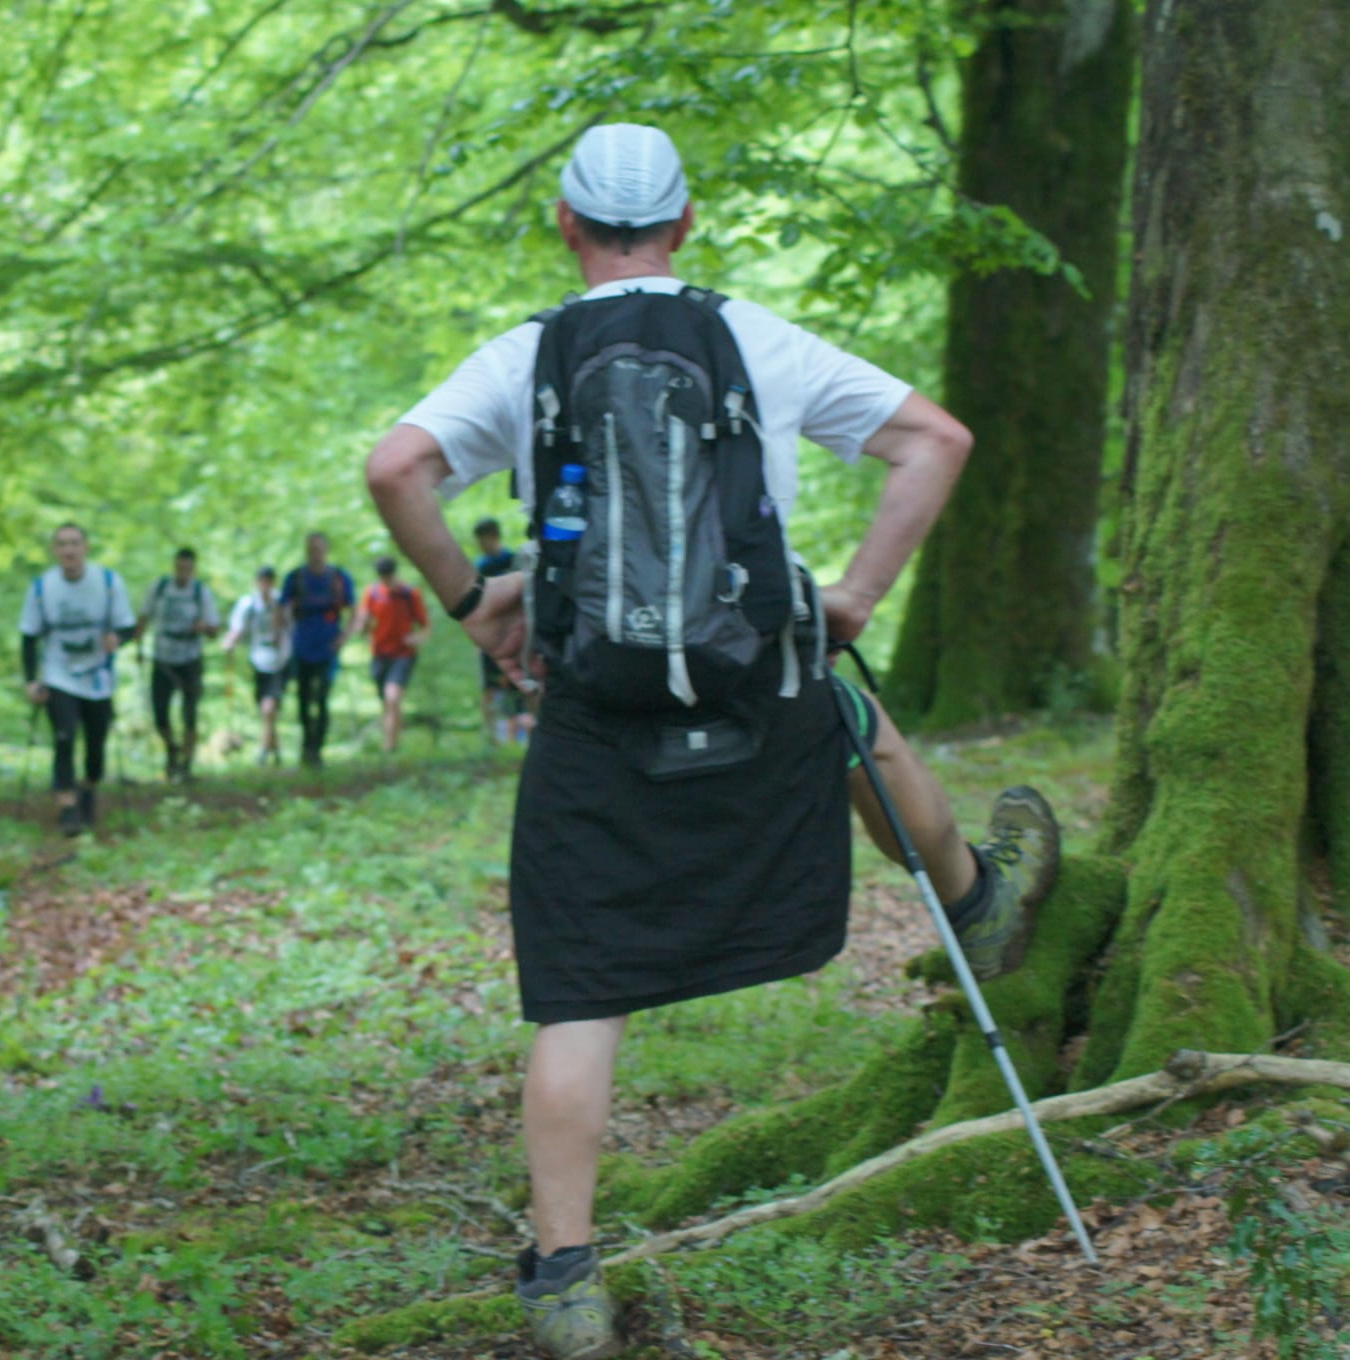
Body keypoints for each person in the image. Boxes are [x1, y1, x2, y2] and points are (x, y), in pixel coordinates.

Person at [365, 124, 1061, 1360]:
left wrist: (478, 609)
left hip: (597, 706)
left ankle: (567, 1279)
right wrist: (849, 594)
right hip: (763, 689)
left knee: (579, 987)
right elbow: (935, 441)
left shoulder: (525, 356)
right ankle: (976, 905)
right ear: (685, 225)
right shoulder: (754, 338)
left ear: (566, 226)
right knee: (838, 702)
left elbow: (396, 467)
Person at [19, 524, 138, 836]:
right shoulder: (42, 587)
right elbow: (29, 636)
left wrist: (117, 638)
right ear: (54, 550)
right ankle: (67, 806)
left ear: (86, 547)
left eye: (74, 543)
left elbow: (128, 626)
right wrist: (31, 680)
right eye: (62, 544)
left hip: (98, 676)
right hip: (58, 675)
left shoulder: (109, 582)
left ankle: (88, 790)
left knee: (96, 741)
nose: (68, 551)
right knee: (64, 736)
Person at [140, 547, 222, 781]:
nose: (183, 572)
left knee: (190, 714)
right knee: (160, 714)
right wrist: (137, 646)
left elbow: (214, 630)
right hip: (162, 657)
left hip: (190, 659)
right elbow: (143, 617)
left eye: (188, 568)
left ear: (193, 569)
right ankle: (171, 751)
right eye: (180, 566)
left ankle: (186, 764)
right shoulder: (159, 588)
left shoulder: (200, 593)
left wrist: (203, 627)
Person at [278, 533, 355, 769]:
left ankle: (317, 750)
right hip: (301, 646)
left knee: (321, 697)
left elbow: (354, 610)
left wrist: (344, 638)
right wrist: (285, 632)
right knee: (302, 698)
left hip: (328, 647)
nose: (316, 553)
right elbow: (282, 608)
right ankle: (306, 746)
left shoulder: (339, 578)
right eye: (312, 548)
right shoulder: (296, 577)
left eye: (320, 549)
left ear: (326, 550)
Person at [351, 556, 429, 755]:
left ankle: (390, 747)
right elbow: (362, 623)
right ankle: (392, 739)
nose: (387, 581)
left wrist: (416, 638)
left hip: (403, 654)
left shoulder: (410, 594)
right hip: (379, 654)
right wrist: (362, 625)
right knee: (386, 702)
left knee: (392, 697)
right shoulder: (373, 594)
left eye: (389, 576)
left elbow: (425, 627)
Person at [472, 517, 534, 747]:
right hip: (489, 636)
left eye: (482, 540)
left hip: (512, 632)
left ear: (492, 536)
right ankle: (491, 739)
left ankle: (524, 735)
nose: (481, 545)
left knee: (518, 682)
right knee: (489, 687)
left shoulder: (513, 561)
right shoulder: (480, 567)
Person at [223, 565, 293, 766]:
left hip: (281, 660)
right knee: (266, 710)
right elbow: (237, 629)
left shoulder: (282, 602)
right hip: (259, 660)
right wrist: (230, 643)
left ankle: (263, 751)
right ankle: (276, 750)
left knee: (269, 708)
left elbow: (292, 625)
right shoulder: (248, 604)